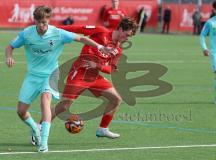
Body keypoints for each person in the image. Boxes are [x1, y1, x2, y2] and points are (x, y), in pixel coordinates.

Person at [5, 5, 112, 152]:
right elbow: (10, 46)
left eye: (45, 22)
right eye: (40, 22)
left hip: (51, 74)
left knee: (45, 102)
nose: (43, 26)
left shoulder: (57, 33)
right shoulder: (27, 34)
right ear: (34, 21)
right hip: (32, 76)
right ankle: (35, 129)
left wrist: (100, 47)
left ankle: (43, 143)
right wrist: (9, 57)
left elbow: (81, 38)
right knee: (21, 111)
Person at [51, 17, 138, 139]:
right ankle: (39, 128)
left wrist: (97, 66)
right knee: (64, 106)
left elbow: (111, 69)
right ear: (121, 29)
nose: (127, 38)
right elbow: (78, 29)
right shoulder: (101, 31)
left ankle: (103, 129)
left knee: (116, 99)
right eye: (127, 35)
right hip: (80, 73)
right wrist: (54, 29)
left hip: (95, 77)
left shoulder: (118, 50)